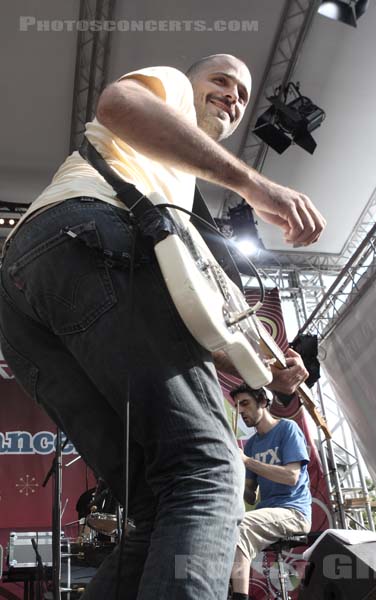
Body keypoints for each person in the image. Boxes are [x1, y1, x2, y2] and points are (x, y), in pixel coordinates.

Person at [0, 54, 324, 599]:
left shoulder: (172, 191)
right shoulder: (169, 88)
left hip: (24, 294)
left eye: (243, 95)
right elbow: (119, 105)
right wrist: (256, 187)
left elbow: (185, 321)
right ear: (191, 84)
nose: (234, 97)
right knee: (211, 472)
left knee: (157, 504)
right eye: (220, 81)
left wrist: (269, 373)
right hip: (89, 236)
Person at [229, 380, 312, 600]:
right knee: (224, 525)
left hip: (294, 512)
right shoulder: (252, 444)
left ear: (263, 401)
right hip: (268, 513)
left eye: (245, 403)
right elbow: (250, 494)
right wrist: (234, 469)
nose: (241, 411)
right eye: (237, 407)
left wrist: (247, 461)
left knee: (240, 526)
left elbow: (291, 477)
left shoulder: (287, 429)